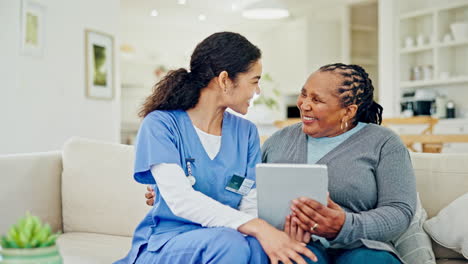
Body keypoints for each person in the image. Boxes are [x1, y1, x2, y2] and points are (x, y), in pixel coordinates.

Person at [146, 63, 417, 264]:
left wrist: (345, 224)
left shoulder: (383, 143)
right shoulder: (279, 140)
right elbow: (243, 185)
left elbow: (400, 211)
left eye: (317, 100)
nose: (304, 105)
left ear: (348, 110)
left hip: (362, 246)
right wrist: (180, 188)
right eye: (304, 94)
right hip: (293, 242)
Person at [115, 32, 316, 264]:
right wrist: (258, 227)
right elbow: (181, 200)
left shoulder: (246, 132)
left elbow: (249, 203)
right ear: (224, 80)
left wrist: (268, 230)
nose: (258, 91)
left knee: (259, 247)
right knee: (230, 244)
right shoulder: (161, 124)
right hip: (169, 240)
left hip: (230, 237)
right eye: (254, 81)